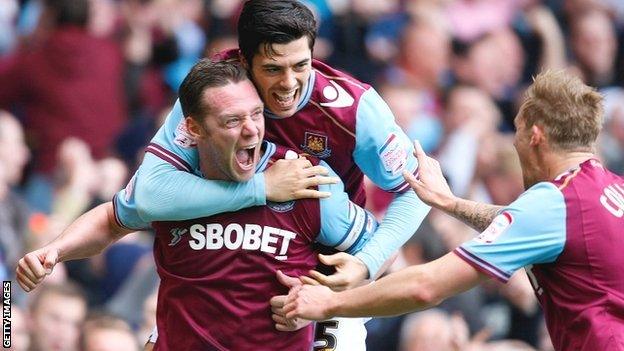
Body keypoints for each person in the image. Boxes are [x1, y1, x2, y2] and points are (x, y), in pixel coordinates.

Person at [16, 59, 378, 350]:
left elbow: (377, 251)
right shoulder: (166, 191)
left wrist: (328, 297)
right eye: (232, 121)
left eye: (256, 114)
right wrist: (55, 250)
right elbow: (112, 221)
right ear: (194, 129)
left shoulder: (305, 178)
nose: (251, 130)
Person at [282, 70, 624, 351]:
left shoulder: (555, 202)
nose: (513, 143)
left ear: (535, 136)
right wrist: (450, 203)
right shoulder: (608, 189)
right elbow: (530, 224)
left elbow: (427, 287)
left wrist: (328, 305)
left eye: (516, 132)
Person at [128, 0, 429, 287]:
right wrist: (263, 188)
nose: (289, 83)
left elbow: (417, 192)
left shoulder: (354, 109)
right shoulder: (214, 91)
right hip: (224, 261)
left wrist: (365, 264)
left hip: (325, 273)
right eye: (273, 69)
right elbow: (150, 194)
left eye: (301, 65)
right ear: (244, 60)